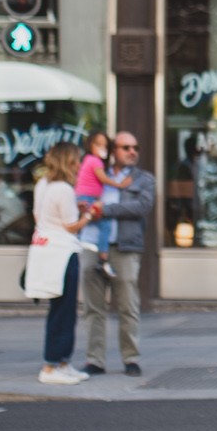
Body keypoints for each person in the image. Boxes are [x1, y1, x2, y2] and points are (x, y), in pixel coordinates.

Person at [82, 130, 153, 377]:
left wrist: (107, 209)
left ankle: (130, 358)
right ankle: (95, 360)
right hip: (92, 244)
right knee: (93, 307)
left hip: (125, 247)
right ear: (113, 151)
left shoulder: (143, 179)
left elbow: (142, 206)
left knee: (127, 305)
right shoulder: (96, 174)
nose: (132, 152)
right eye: (126, 147)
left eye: (135, 147)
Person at [30, 141, 96, 385]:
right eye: (76, 160)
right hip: (63, 252)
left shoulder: (44, 184)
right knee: (64, 310)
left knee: (59, 308)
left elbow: (39, 216)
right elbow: (70, 226)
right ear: (68, 161)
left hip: (47, 251)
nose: (79, 165)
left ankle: (62, 363)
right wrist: (88, 215)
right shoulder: (64, 189)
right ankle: (51, 365)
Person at [74, 132, 133, 278]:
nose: (102, 148)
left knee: (96, 222)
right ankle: (103, 258)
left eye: (105, 145)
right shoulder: (95, 162)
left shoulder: (88, 160)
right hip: (88, 199)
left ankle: (102, 259)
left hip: (86, 198)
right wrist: (120, 185)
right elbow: (103, 179)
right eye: (98, 145)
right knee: (105, 225)